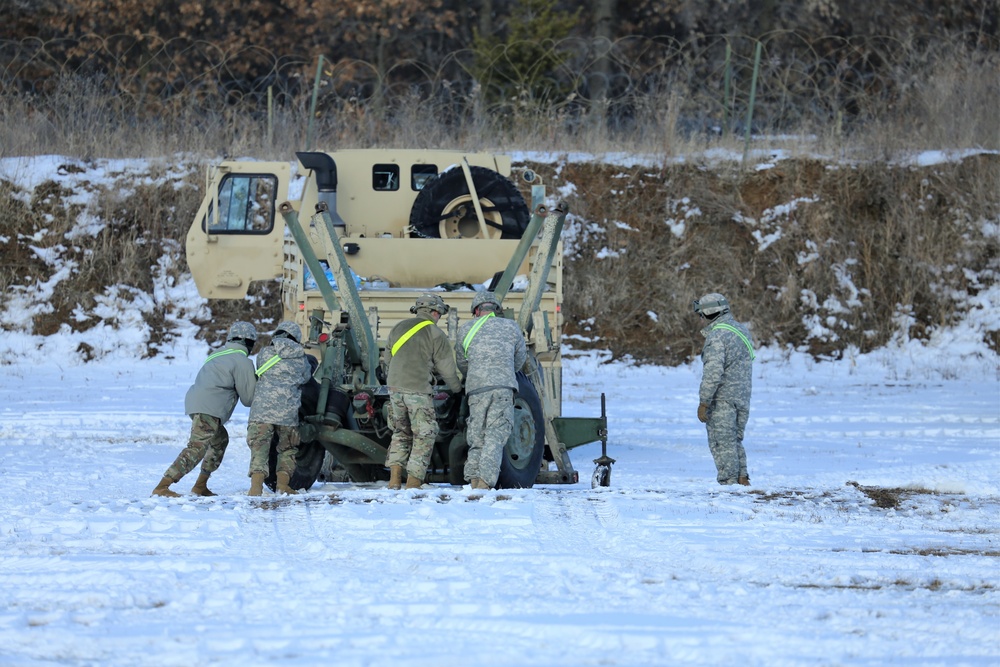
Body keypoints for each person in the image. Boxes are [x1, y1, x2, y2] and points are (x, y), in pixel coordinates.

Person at [152, 321, 258, 497]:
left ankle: (200, 486)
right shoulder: (242, 361)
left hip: (196, 403)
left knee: (220, 440)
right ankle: (163, 486)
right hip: (209, 409)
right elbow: (249, 399)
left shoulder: (216, 354)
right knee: (197, 447)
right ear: (250, 342)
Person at [385, 293, 463, 490]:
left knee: (400, 432)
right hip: (417, 390)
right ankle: (414, 482)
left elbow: (387, 361)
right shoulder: (435, 333)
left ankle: (394, 480)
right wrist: (457, 390)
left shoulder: (397, 328)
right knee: (424, 434)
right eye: (439, 314)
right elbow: (447, 370)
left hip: (394, 389)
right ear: (434, 312)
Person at [455, 290, 527, 490]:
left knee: (476, 435)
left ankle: (473, 479)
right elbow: (520, 357)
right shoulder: (511, 327)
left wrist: (476, 375)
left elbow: (461, 362)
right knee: (495, 434)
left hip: (476, 389)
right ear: (496, 309)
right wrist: (505, 372)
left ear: (476, 310)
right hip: (503, 388)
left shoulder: (466, 329)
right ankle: (485, 482)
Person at [246, 321, 314, 496]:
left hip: (261, 412)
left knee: (259, 449)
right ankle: (283, 485)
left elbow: (260, 368)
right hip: (287, 413)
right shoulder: (301, 358)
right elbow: (306, 378)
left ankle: (256, 488)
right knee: (287, 449)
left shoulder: (265, 353)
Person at [693, 293, 755, 486]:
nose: (700, 318)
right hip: (742, 398)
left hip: (722, 400)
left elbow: (713, 373)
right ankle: (742, 479)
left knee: (722, 444)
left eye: (701, 314)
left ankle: (730, 486)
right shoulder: (741, 330)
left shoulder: (717, 336)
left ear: (709, 313)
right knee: (734, 441)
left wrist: (704, 401)